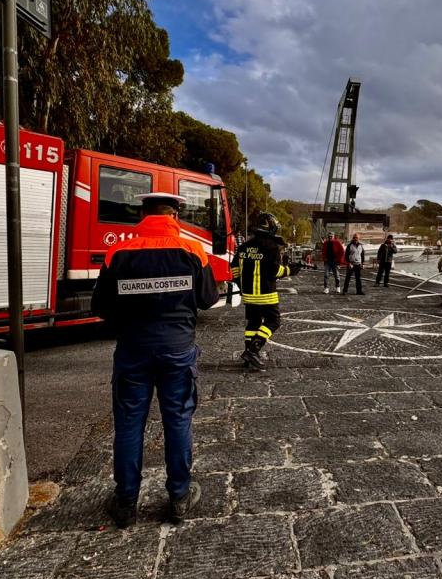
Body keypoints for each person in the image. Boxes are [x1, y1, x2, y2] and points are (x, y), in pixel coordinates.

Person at [91, 192, 219, 529]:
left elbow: (101, 307)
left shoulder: (119, 251)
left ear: (142, 214)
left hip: (133, 349)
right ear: (175, 214)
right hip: (177, 349)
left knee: (130, 423)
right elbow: (208, 299)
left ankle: (126, 502)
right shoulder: (193, 251)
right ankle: (178, 496)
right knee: (177, 420)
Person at [231, 213, 301, 370]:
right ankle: (253, 351)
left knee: (253, 322)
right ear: (271, 227)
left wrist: (240, 283)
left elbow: (234, 267)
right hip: (266, 294)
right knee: (273, 321)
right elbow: (275, 271)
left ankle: (249, 357)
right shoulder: (271, 247)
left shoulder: (244, 246)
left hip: (248, 294)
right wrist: (290, 270)